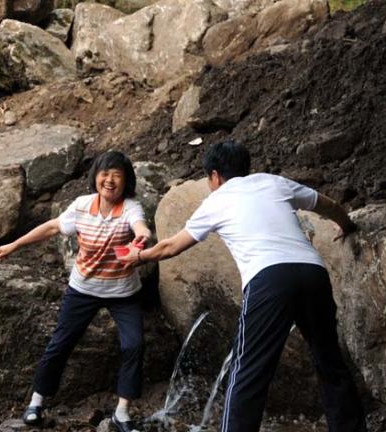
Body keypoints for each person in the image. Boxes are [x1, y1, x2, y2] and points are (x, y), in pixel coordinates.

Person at [121, 140, 367, 432]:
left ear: (215, 176)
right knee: (329, 361)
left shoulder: (216, 200)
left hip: (270, 279)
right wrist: (346, 225)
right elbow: (328, 205)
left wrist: (139, 257)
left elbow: (171, 246)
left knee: (248, 371)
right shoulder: (273, 182)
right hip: (313, 273)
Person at [0, 151, 151, 432]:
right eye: (104, 174)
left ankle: (122, 413)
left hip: (123, 292)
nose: (110, 180)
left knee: (133, 345)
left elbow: (141, 227)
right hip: (83, 289)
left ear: (126, 181)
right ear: (95, 177)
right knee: (60, 343)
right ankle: (36, 402)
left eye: (117, 175)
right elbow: (53, 227)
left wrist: (141, 237)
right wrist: (15, 245)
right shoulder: (81, 206)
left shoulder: (130, 208)